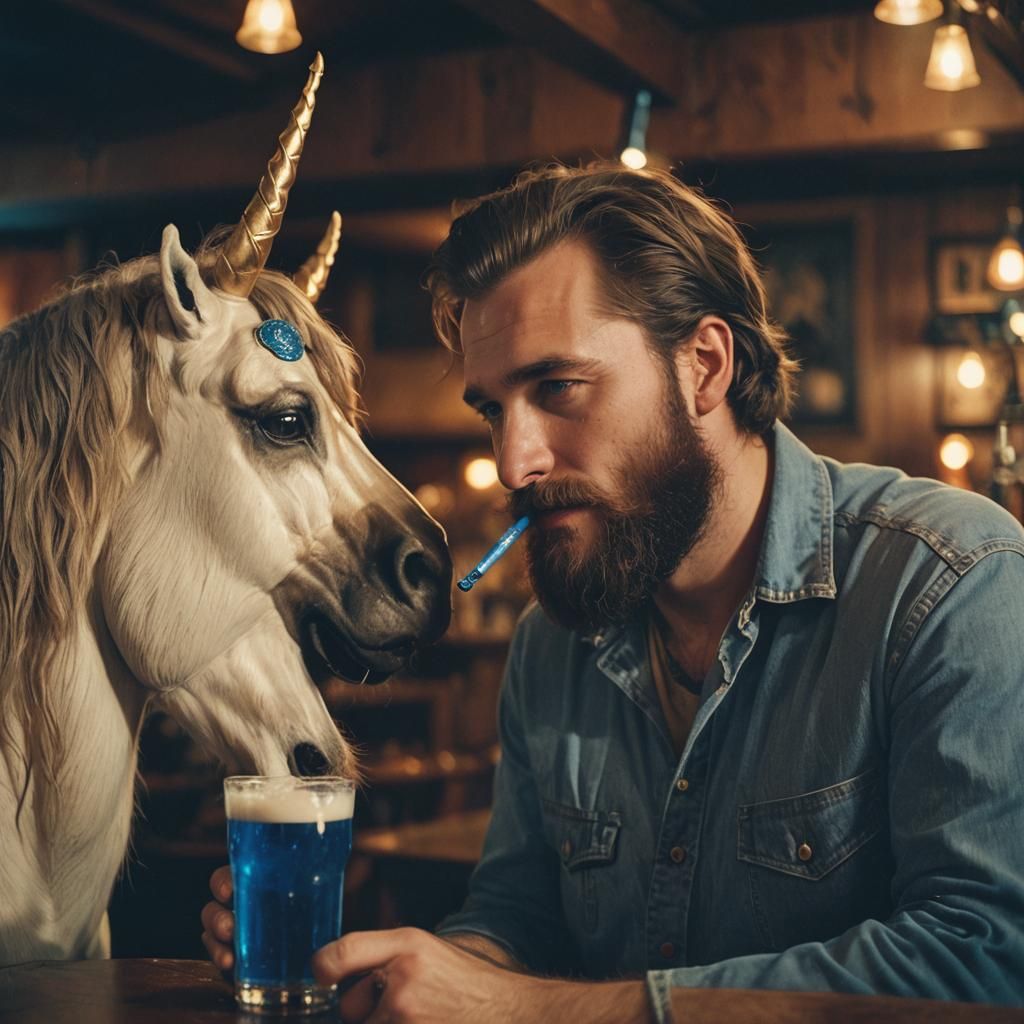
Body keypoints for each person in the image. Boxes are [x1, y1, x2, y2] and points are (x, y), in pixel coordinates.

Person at [201, 163, 1024, 1021]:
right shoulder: (551, 646)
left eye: (557, 388)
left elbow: (985, 960)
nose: (515, 460)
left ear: (704, 366)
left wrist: (527, 1009)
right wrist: (407, 973)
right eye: (493, 409)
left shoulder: (948, 582)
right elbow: (520, 923)